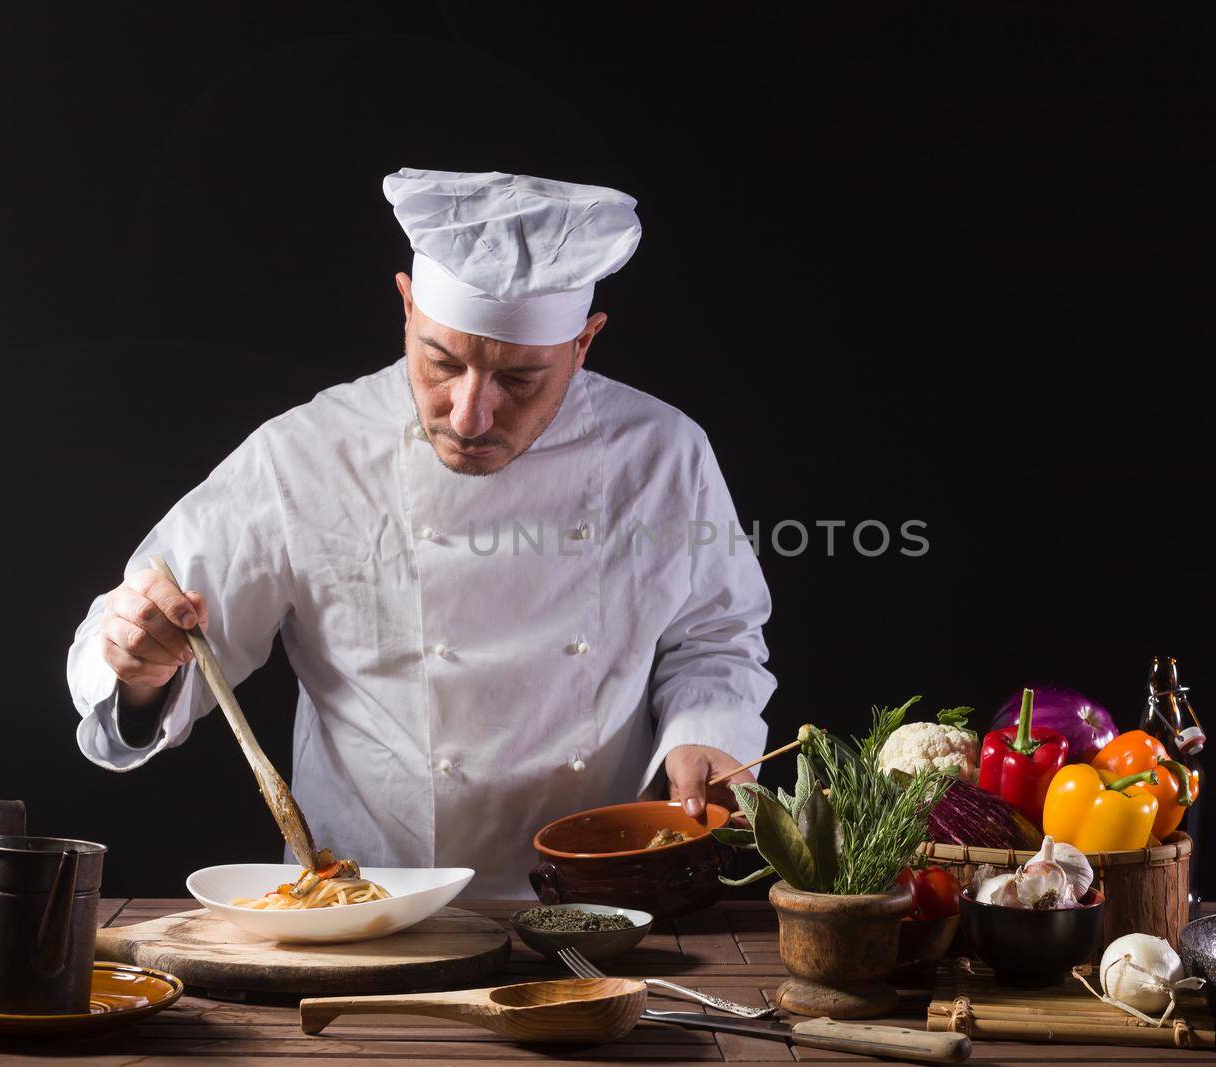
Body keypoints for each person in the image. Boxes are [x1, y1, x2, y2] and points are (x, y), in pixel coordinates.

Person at [66, 168, 775, 896]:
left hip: (597, 907)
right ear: (406, 306)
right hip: (364, 909)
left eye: (519, 380)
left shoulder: (662, 452)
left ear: (584, 343)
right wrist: (142, 667)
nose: (470, 414)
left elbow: (716, 635)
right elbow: (146, 630)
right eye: (441, 362)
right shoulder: (308, 455)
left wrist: (707, 732)